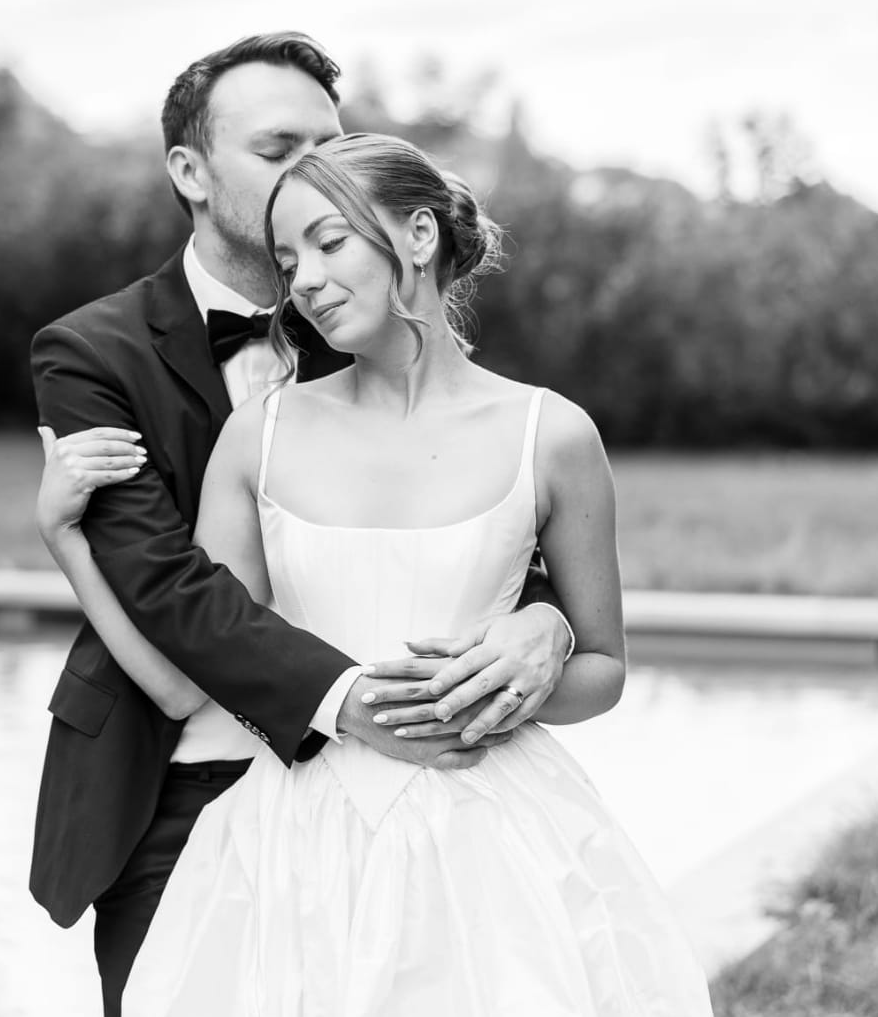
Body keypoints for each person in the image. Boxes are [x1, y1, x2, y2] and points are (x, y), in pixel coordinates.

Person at [39, 134, 714, 1015]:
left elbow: (603, 670)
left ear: (420, 236)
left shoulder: (552, 435)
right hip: (298, 840)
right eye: (288, 261)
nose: (305, 281)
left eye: (330, 243)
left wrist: (507, 679)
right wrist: (65, 537)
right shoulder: (261, 435)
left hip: (494, 840)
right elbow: (185, 673)